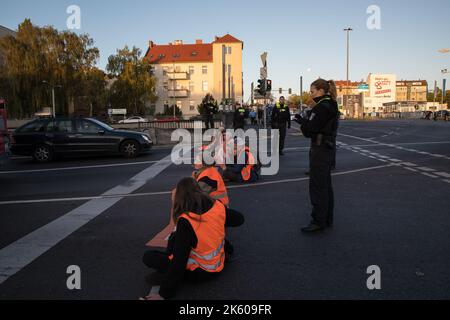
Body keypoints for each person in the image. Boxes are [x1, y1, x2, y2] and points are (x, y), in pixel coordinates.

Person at [142, 177, 244, 300]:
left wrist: (164, 294)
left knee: (149, 257)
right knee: (176, 238)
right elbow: (239, 219)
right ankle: (166, 276)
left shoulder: (186, 221)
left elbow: (180, 261)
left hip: (201, 272)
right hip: (218, 262)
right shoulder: (217, 206)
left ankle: (167, 278)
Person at [296, 79, 339, 233]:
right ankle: (327, 218)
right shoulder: (331, 104)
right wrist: (306, 121)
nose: (311, 94)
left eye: (313, 91)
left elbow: (309, 131)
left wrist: (302, 122)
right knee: (326, 185)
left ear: (321, 91)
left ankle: (318, 221)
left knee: (318, 186)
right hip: (327, 148)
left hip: (320, 149)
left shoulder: (321, 107)